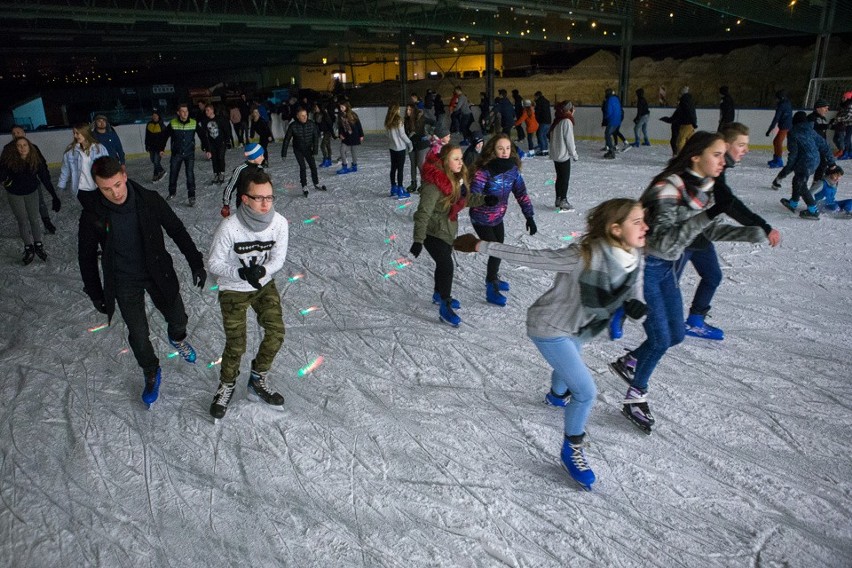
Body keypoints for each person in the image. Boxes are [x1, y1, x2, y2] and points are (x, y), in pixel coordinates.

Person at [452, 198, 648, 489]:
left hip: (581, 327)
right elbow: (530, 257)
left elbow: (634, 285)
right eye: (637, 221)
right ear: (616, 229)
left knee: (569, 366)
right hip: (550, 327)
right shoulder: (582, 256)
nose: (645, 226)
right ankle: (572, 449)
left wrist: (635, 303)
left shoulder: (634, 254)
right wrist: (480, 245)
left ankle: (556, 397)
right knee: (585, 392)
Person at [607, 132, 768, 434]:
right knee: (660, 339)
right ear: (696, 156)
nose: (725, 160)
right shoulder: (667, 188)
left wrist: (749, 233)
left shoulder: (703, 189)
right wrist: (710, 214)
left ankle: (630, 361)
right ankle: (635, 396)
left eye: (724, 154)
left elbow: (701, 233)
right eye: (718, 154)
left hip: (666, 267)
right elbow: (667, 237)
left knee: (677, 334)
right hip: (645, 268)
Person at [611, 122, 781, 342]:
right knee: (663, 288)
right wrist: (760, 227)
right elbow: (727, 206)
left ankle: (695, 320)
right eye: (740, 145)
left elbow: (717, 213)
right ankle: (628, 311)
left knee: (712, 275)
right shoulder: (686, 180)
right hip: (678, 241)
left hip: (697, 236)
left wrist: (753, 231)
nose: (745, 150)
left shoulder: (711, 175)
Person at [79, 157, 206, 407]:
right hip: (124, 281)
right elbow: (85, 256)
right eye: (106, 188)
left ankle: (177, 337)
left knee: (179, 318)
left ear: (124, 175)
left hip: (157, 272)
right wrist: (96, 293)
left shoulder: (149, 200)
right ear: (97, 186)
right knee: (138, 334)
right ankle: (150, 370)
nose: (114, 193)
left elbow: (176, 229)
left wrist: (195, 261)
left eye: (117, 184)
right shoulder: (93, 213)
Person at [206, 170, 288, 420]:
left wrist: (262, 270)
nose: (265, 204)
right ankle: (226, 384)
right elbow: (214, 263)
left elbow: (279, 259)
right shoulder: (229, 227)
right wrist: (240, 274)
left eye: (269, 198)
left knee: (276, 333)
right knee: (236, 343)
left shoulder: (280, 223)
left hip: (263, 285)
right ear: (244, 199)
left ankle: (257, 378)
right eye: (259, 198)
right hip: (233, 289)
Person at [409, 144, 496, 327]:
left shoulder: (455, 179)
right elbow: (423, 213)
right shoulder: (434, 185)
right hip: (432, 233)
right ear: (445, 161)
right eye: (455, 159)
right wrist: (418, 240)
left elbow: (463, 200)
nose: (460, 162)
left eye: (461, 158)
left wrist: (484, 199)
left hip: (447, 230)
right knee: (446, 265)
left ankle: (438, 293)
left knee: (443, 263)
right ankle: (445, 304)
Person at [468, 134, 536, 306]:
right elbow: (471, 197)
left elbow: (521, 193)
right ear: (492, 150)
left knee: (500, 248)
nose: (505, 152)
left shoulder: (513, 169)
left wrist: (529, 216)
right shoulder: (484, 171)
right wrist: (484, 199)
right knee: (496, 250)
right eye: (500, 148)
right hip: (481, 217)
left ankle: (494, 278)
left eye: (507, 148)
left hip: (498, 216)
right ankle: (491, 286)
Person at [0, 137, 59, 264]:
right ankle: (28, 248)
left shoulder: (35, 160)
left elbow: (45, 178)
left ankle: (38, 245)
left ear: (29, 146)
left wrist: (54, 196)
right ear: (15, 148)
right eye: (19, 145)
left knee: (34, 219)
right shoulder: (9, 161)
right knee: (22, 221)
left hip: (32, 193)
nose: (22, 148)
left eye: (24, 145)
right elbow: (2, 175)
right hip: (15, 194)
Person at [776, 111, 836, 219]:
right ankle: (793, 202)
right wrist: (831, 162)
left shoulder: (793, 132)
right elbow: (825, 146)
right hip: (815, 161)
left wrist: (787, 169)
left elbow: (793, 154)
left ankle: (813, 209)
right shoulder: (811, 130)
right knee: (797, 180)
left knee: (801, 184)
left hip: (805, 162)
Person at [1, 125, 58, 234]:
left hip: (32, 183)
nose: (16, 135)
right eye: (13, 133)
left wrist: (47, 179)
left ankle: (46, 221)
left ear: (24, 134)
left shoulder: (33, 148)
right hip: (16, 186)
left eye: (18, 132)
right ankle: (27, 226)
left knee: (40, 202)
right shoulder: (7, 149)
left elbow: (42, 165)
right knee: (22, 208)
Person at [57, 122, 110, 212]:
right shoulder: (71, 152)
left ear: (85, 132)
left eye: (78, 133)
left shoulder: (99, 148)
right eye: (74, 133)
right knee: (92, 213)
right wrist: (60, 188)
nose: (75, 135)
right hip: (81, 189)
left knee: (102, 212)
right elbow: (65, 171)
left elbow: (107, 166)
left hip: (98, 187)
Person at [165, 103, 203, 206]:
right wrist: (161, 148)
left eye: (186, 111)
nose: (185, 113)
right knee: (173, 173)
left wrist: (207, 148)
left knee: (190, 174)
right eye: (182, 111)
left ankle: (191, 196)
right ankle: (172, 192)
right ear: (178, 112)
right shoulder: (173, 123)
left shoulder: (193, 123)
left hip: (189, 153)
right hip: (176, 154)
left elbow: (202, 135)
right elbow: (164, 136)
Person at [282, 107, 324, 197]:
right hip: (298, 150)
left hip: (309, 149)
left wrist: (315, 151)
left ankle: (316, 183)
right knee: (303, 167)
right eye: (302, 116)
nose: (305, 117)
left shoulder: (311, 124)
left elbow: (315, 138)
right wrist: (283, 153)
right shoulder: (293, 126)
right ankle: (304, 185)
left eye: (306, 115)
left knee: (313, 166)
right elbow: (286, 140)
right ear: (298, 116)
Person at [549, 101, 579, 212]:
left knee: (559, 177)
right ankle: (563, 200)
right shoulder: (567, 121)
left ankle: (558, 199)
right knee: (564, 178)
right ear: (569, 110)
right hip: (563, 155)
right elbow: (569, 140)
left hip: (556, 154)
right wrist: (574, 154)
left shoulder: (558, 120)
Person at [384, 103, 414, 199]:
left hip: (392, 147)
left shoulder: (388, 120)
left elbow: (387, 134)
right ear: (396, 110)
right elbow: (402, 134)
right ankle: (400, 189)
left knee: (393, 168)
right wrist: (409, 143)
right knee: (400, 169)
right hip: (400, 148)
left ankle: (393, 187)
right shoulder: (399, 120)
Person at [200, 104, 232, 185]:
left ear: (212, 110)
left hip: (221, 142)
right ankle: (216, 174)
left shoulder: (220, 119)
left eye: (208, 110)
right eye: (205, 110)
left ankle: (221, 173)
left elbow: (226, 130)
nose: (206, 112)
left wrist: (227, 141)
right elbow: (204, 135)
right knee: (214, 159)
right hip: (211, 144)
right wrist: (205, 146)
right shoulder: (204, 121)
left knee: (220, 158)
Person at [405, 103, 431, 193]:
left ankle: (424, 184)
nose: (408, 111)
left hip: (422, 145)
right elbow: (405, 133)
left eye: (410, 110)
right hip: (412, 145)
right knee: (413, 164)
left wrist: (428, 135)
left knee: (420, 164)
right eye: (407, 110)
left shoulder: (421, 119)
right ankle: (413, 183)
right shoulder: (407, 120)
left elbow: (433, 123)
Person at [765, 90, 793, 168]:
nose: (776, 100)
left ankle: (779, 161)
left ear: (781, 98)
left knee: (778, 142)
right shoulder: (786, 103)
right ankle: (776, 158)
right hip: (786, 125)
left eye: (777, 98)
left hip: (785, 126)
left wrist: (770, 129)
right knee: (776, 141)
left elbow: (776, 117)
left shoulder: (782, 105)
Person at [336, 100, 364, 175]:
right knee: (342, 150)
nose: (341, 108)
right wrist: (340, 134)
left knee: (353, 151)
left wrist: (361, 135)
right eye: (340, 107)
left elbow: (358, 125)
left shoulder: (353, 114)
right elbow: (340, 126)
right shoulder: (340, 115)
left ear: (346, 107)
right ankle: (344, 166)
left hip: (354, 135)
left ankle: (354, 166)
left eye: (342, 107)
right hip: (345, 136)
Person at [144, 110, 169, 183]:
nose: (154, 117)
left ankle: (161, 171)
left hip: (159, 148)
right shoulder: (149, 124)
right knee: (153, 160)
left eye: (156, 115)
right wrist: (146, 145)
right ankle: (156, 176)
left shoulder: (162, 126)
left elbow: (164, 139)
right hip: (151, 147)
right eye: (153, 115)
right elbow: (147, 136)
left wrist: (162, 149)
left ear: (159, 116)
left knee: (156, 161)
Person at [601, 88, 622, 159]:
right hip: (618, 120)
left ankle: (611, 151)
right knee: (609, 134)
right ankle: (611, 148)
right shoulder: (616, 99)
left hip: (612, 120)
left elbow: (608, 112)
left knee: (607, 134)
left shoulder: (609, 100)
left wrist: (606, 118)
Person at [314, 102, 335, 168]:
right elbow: (317, 125)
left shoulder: (325, 115)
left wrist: (333, 134)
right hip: (323, 132)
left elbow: (330, 125)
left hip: (328, 132)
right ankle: (329, 159)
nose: (315, 108)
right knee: (328, 146)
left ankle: (326, 160)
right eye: (315, 107)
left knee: (322, 146)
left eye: (316, 107)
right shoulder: (316, 115)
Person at [534, 91, 552, 157]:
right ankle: (545, 150)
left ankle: (543, 150)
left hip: (543, 121)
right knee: (544, 136)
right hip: (548, 121)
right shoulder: (546, 101)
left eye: (535, 97)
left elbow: (538, 113)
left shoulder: (539, 102)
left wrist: (538, 119)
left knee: (541, 135)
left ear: (537, 96)